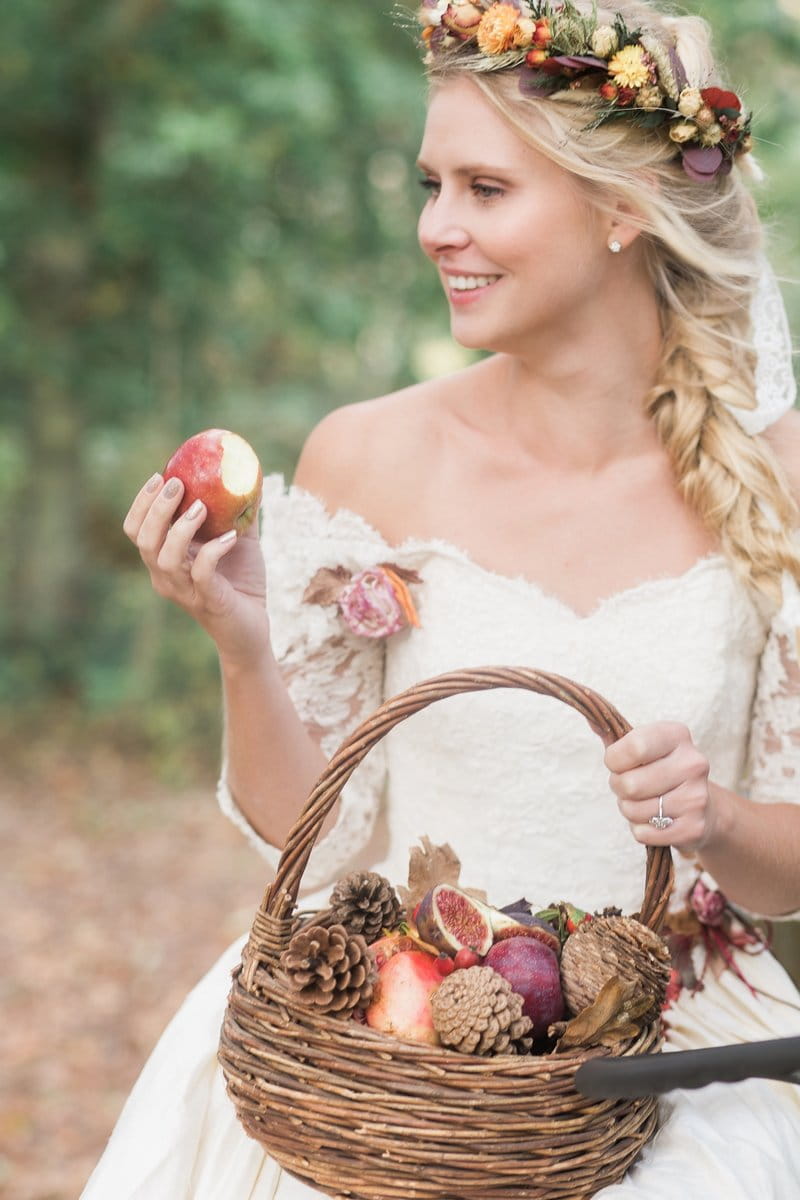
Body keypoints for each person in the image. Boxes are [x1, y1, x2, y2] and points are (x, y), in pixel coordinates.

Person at [82, 2, 800, 1196]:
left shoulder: (774, 479)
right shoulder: (368, 457)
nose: (434, 229)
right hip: (390, 1039)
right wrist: (242, 647)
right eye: (429, 184)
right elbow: (305, 853)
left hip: (668, 1048)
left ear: (621, 208)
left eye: (483, 189)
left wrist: (709, 817)